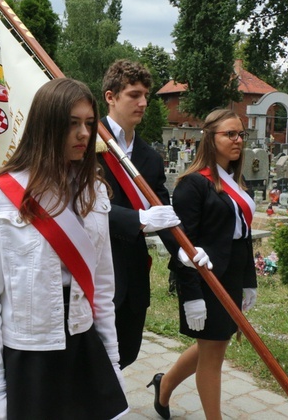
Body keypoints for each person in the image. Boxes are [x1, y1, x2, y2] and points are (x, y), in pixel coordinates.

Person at [0, 78, 128, 420]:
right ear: (46, 126)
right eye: (72, 124)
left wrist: (112, 360)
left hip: (82, 344)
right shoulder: (0, 194)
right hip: (28, 351)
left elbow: (103, 286)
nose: (84, 133)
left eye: (88, 123)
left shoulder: (94, 192)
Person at [152, 109, 257, 420]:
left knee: (214, 344)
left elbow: (244, 237)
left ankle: (164, 385)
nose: (238, 140)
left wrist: (249, 280)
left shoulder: (237, 182)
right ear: (210, 139)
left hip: (233, 274)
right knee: (213, 354)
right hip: (205, 278)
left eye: (241, 134)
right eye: (230, 134)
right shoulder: (192, 184)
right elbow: (183, 246)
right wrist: (192, 294)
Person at [97, 59, 180, 369]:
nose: (144, 102)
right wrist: (137, 220)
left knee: (126, 354)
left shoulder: (149, 157)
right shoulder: (88, 142)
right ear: (111, 96)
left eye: (146, 94)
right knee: (95, 363)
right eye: (134, 94)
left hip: (132, 276)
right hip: (94, 271)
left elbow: (162, 211)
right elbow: (80, 206)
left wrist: (184, 253)